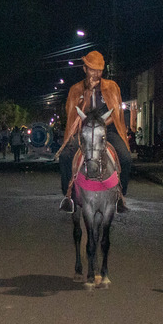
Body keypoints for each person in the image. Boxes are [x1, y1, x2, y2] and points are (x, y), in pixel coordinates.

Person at [58, 51, 132, 213]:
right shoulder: (76, 89)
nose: (96, 74)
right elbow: (72, 114)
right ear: (85, 69)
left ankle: (121, 196)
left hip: (107, 130)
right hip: (83, 131)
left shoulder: (112, 87)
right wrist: (87, 94)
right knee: (65, 157)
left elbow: (116, 113)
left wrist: (100, 124)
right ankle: (68, 196)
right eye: (92, 69)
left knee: (126, 158)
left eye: (99, 70)